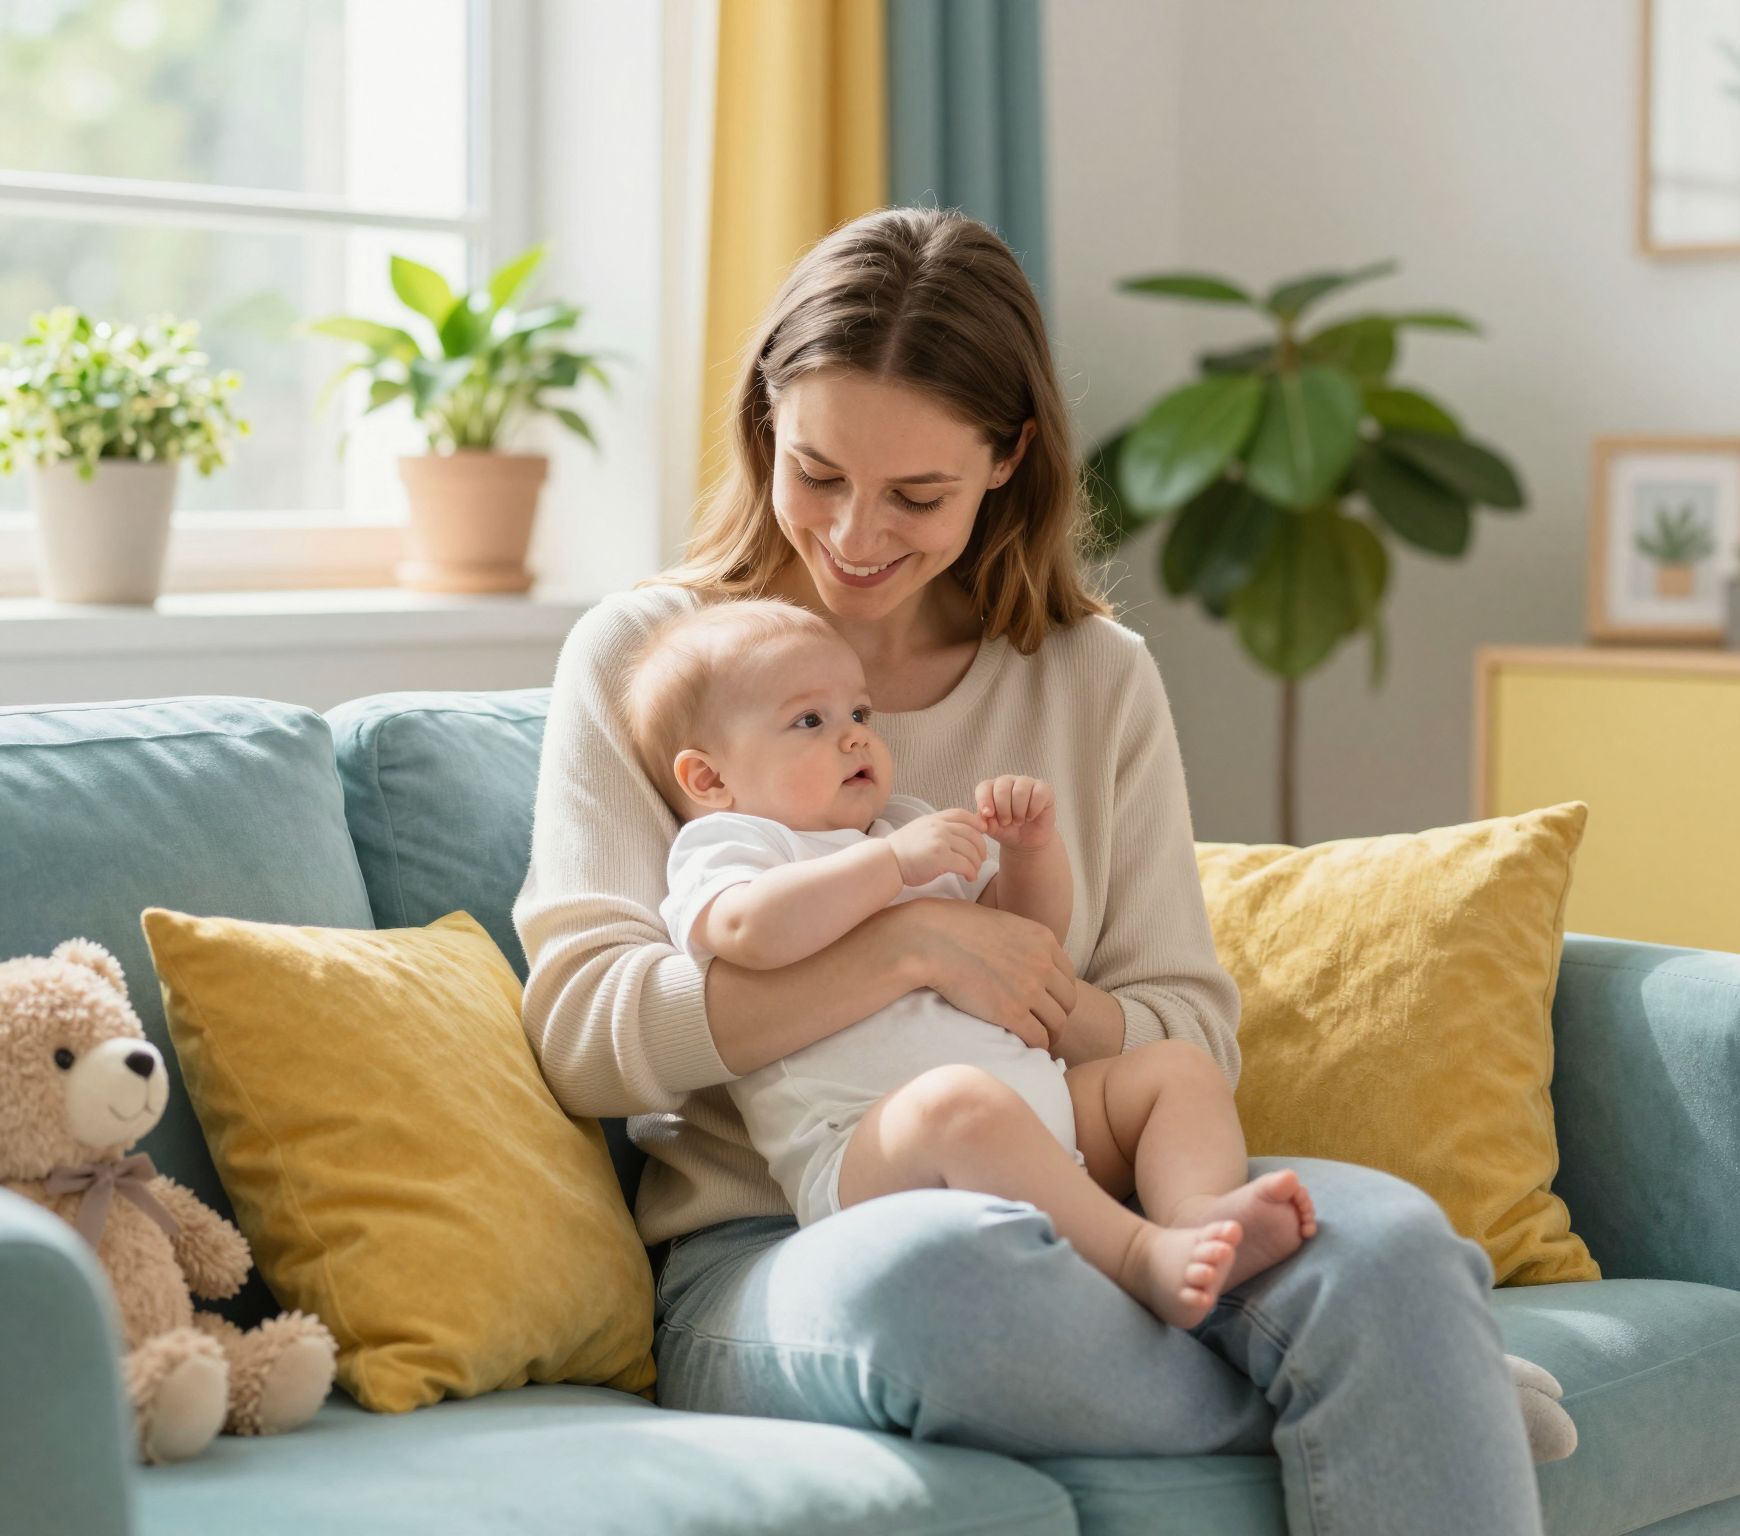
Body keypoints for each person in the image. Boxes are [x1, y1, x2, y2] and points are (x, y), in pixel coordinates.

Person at [514, 206, 1569, 1536]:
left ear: (1007, 458)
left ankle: (1400, 1355)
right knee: (951, 1287)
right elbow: (585, 1034)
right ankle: (1418, 1386)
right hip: (788, 1240)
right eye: (817, 471)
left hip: (1092, 1174)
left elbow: (1185, 1024)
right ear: (764, 421)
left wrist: (1037, 988)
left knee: (1395, 1247)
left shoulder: (1092, 677)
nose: (853, 535)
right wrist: (906, 949)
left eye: (917, 496)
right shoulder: (655, 665)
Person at [625, 596, 1319, 1327]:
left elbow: (1025, 943)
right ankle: (1139, 1256)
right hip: (873, 1155)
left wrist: (1029, 853)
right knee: (957, 1104)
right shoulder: (735, 848)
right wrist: (892, 868)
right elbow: (751, 929)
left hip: (1040, 1115)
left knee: (1177, 1070)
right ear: (709, 780)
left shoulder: (902, 824)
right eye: (809, 721)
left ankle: (1198, 1217)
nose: (855, 737)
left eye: (859, 713)